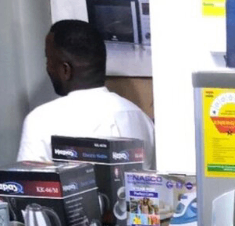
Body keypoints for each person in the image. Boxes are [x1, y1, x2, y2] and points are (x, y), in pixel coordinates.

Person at [17, 19, 155, 165]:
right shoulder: (142, 119)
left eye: (48, 60)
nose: (48, 68)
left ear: (65, 70)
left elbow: (29, 179)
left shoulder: (42, 120)